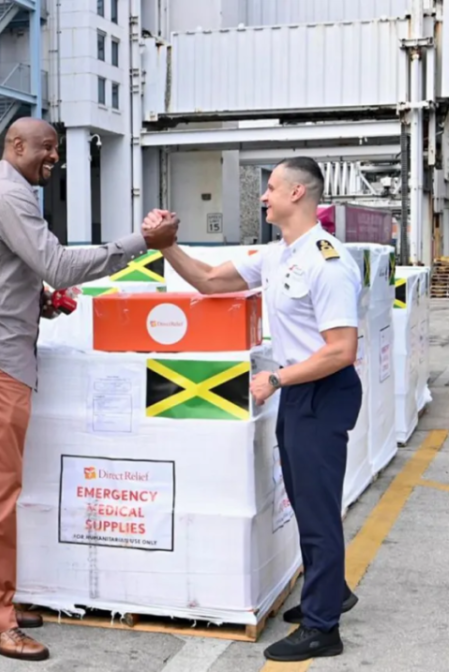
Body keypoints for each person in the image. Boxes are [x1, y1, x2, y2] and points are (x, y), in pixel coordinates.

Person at [0, 117, 178, 662]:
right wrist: (144, 242)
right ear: (15, 146)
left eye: (56, 150)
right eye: (46, 149)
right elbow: (59, 264)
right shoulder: (10, 196)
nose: (54, 157)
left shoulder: (2, 192)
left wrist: (34, 300)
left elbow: (5, 271)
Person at [143, 157, 363, 662]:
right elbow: (208, 280)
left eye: (271, 188)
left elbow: (341, 349)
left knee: (317, 509)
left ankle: (323, 627)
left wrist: (277, 379)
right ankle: (333, 593)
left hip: (321, 392)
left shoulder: (326, 262)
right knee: (305, 500)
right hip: (299, 392)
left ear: (299, 195)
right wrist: (166, 246)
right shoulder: (278, 255)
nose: (263, 197)